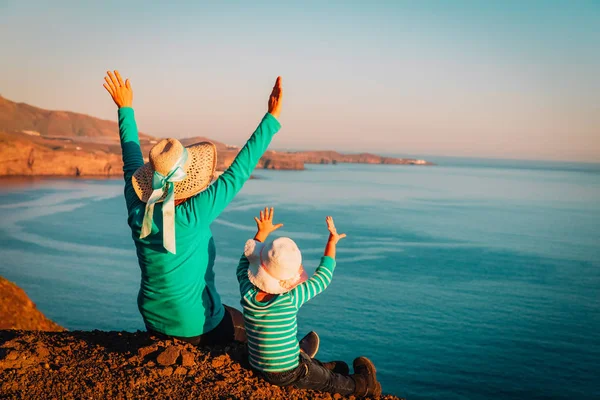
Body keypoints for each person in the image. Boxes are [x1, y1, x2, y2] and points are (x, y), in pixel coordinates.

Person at [102, 70, 284, 345]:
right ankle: (293, 354)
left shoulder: (137, 208)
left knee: (234, 316)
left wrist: (125, 108)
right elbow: (238, 172)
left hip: (153, 318)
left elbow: (130, 161)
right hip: (194, 327)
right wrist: (271, 118)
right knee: (253, 326)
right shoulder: (192, 215)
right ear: (190, 179)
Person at [236, 207, 382, 397]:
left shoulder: (246, 290)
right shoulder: (289, 298)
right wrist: (332, 242)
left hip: (257, 364)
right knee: (330, 382)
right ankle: (365, 385)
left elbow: (243, 263)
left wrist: (261, 233)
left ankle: (319, 367)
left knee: (313, 369)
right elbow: (323, 277)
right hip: (286, 372)